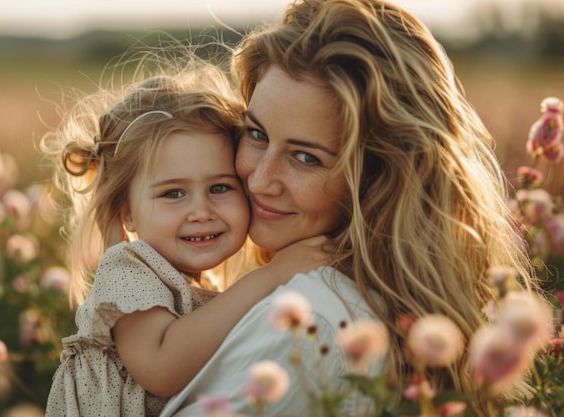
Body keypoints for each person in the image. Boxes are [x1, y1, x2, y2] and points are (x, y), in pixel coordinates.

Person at [159, 0, 539, 416]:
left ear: (378, 178)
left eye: (306, 158)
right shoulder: (374, 307)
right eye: (256, 134)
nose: (259, 178)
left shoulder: (308, 329)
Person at [40, 62, 330, 417]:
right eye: (174, 194)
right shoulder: (128, 272)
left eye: (220, 188)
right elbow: (162, 369)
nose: (201, 211)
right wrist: (273, 275)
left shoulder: (173, 280)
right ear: (126, 211)